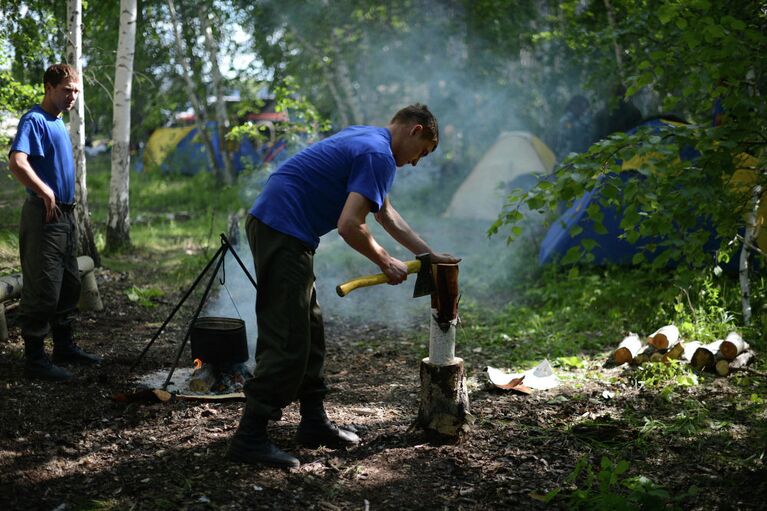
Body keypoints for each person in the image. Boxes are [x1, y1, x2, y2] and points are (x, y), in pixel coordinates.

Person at [228, 104, 461, 468]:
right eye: (424, 152)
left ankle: (313, 422)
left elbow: (383, 212)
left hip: (284, 229)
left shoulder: (368, 139)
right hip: (281, 229)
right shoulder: (377, 153)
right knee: (288, 336)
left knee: (310, 329)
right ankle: (249, 437)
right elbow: (350, 225)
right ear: (415, 131)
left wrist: (427, 255)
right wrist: (385, 261)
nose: (417, 162)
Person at [8, 63, 101, 382]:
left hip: (66, 215)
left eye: (76, 90)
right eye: (66, 90)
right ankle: (34, 359)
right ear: (48, 88)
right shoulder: (35, 120)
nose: (72, 96)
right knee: (44, 286)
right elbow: (16, 162)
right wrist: (44, 190)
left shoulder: (59, 123)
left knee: (69, 282)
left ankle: (64, 346)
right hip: (43, 217)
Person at [553, 95, 592, 160]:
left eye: (584, 107)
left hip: (577, 156)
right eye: (581, 107)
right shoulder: (567, 120)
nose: (583, 110)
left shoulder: (579, 121)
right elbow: (566, 140)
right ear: (573, 106)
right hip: (568, 157)